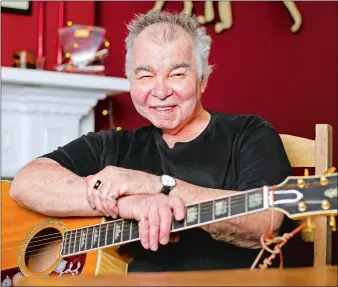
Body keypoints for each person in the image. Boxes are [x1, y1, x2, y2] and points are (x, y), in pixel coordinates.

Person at [9, 11, 292, 272]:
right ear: (131, 81)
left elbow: (266, 222)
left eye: (177, 74)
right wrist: (129, 204)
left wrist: (157, 186)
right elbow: (25, 182)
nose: (160, 91)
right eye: (145, 75)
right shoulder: (115, 144)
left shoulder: (249, 133)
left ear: (203, 79)